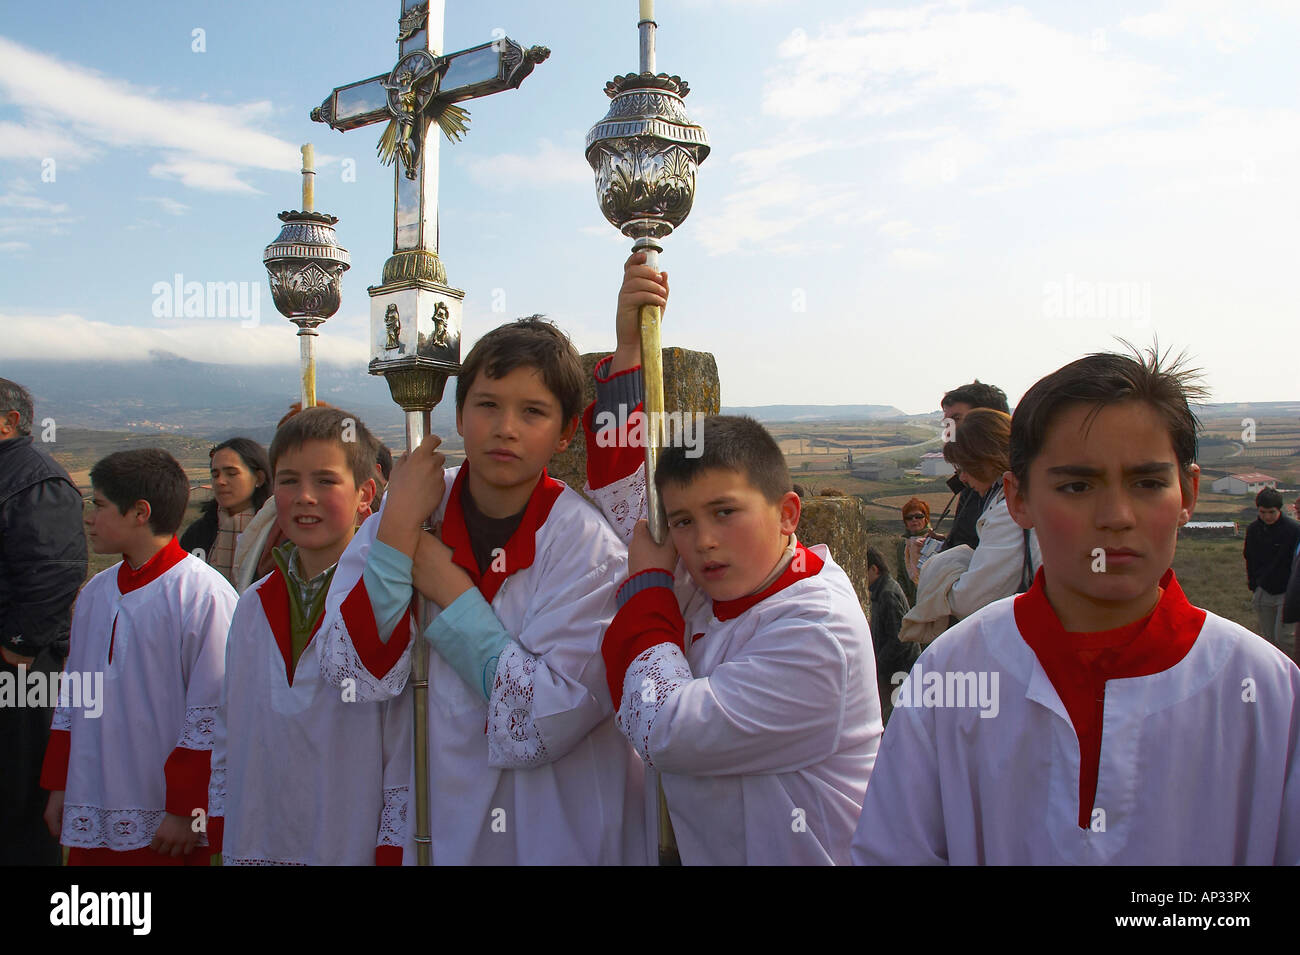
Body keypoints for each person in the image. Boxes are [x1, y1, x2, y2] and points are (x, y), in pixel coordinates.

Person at [852, 347, 1300, 864]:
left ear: (1188, 492)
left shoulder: (1267, 694)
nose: (1116, 515)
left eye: (1149, 482)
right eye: (1077, 485)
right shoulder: (952, 677)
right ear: (1019, 499)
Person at [314, 317, 645, 865]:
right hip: (432, 807)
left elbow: (547, 718)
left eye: (533, 411)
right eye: (487, 405)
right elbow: (351, 673)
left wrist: (452, 594)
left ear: (565, 434)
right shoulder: (408, 517)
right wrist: (397, 539)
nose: (505, 428)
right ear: (461, 416)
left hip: (552, 825)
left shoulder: (588, 549)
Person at [588, 253, 880, 864]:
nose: (703, 541)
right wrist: (626, 353)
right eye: (686, 521)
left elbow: (666, 728)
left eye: (726, 512)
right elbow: (627, 497)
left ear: (787, 514)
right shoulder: (720, 583)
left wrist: (646, 589)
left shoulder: (814, 628)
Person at [208, 407, 411, 865]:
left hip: (349, 830)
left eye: (325, 481)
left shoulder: (385, 600)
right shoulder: (254, 604)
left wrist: (392, 845)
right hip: (258, 828)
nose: (304, 497)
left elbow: (401, 736)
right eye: (288, 481)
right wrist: (223, 819)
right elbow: (230, 720)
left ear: (365, 495)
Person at [40, 449, 237, 864]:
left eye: (99, 505)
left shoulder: (203, 595)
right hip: (93, 798)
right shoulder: (96, 592)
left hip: (164, 813)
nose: (89, 518)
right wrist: (62, 785)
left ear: (140, 512)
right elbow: (73, 699)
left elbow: (213, 712)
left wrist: (186, 809)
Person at [0, 378, 87, 865]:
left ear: (11, 422)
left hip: (21, 670)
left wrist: (18, 645)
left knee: (19, 797)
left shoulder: (36, 479)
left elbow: (54, 571)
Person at [899, 409, 1039, 645]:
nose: (962, 478)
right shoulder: (1008, 499)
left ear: (985, 459)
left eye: (964, 467)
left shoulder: (1009, 511)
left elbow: (970, 601)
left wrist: (944, 567)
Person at [179, 437, 270, 586]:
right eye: (215, 475)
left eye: (231, 473)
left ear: (259, 478)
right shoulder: (198, 534)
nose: (220, 481)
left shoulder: (273, 534)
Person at [938, 380, 1009, 554]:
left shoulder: (1016, 493)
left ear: (989, 420)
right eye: (947, 424)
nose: (948, 432)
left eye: (956, 419)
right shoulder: (980, 483)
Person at [1242, 486, 1300, 658]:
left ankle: (1293, 672)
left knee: (1284, 638)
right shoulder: (1253, 530)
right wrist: (1254, 585)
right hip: (1263, 590)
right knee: (1268, 641)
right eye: (1262, 512)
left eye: (1271, 512)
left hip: (1286, 592)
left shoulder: (1293, 530)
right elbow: (1249, 558)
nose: (1267, 516)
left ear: (1279, 510)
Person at [866, 546, 918, 726]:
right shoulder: (882, 591)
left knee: (896, 719)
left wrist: (878, 663)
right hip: (894, 669)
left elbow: (899, 638)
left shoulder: (888, 593)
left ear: (874, 569)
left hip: (899, 669)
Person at [896, 496, 932, 604]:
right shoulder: (903, 545)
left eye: (918, 516)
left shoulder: (933, 541)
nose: (914, 520)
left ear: (926, 518)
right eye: (909, 517)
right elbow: (901, 574)